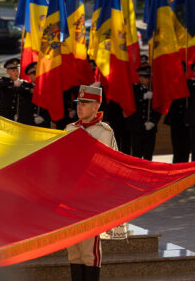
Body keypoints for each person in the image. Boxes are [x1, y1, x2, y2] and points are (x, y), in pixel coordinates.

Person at [65, 84, 116, 281]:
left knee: (89, 250)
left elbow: (104, 166)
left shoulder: (104, 132)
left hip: (90, 197)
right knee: (73, 250)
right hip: (70, 195)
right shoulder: (70, 128)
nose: (80, 107)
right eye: (79, 103)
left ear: (96, 106)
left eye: (85, 104)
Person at [128, 65, 160, 160]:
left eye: (147, 77)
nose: (145, 79)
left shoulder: (155, 90)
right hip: (137, 127)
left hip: (150, 128)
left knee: (148, 155)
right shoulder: (134, 88)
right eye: (143, 77)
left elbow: (158, 109)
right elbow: (131, 102)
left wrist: (153, 122)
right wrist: (143, 97)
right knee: (136, 155)